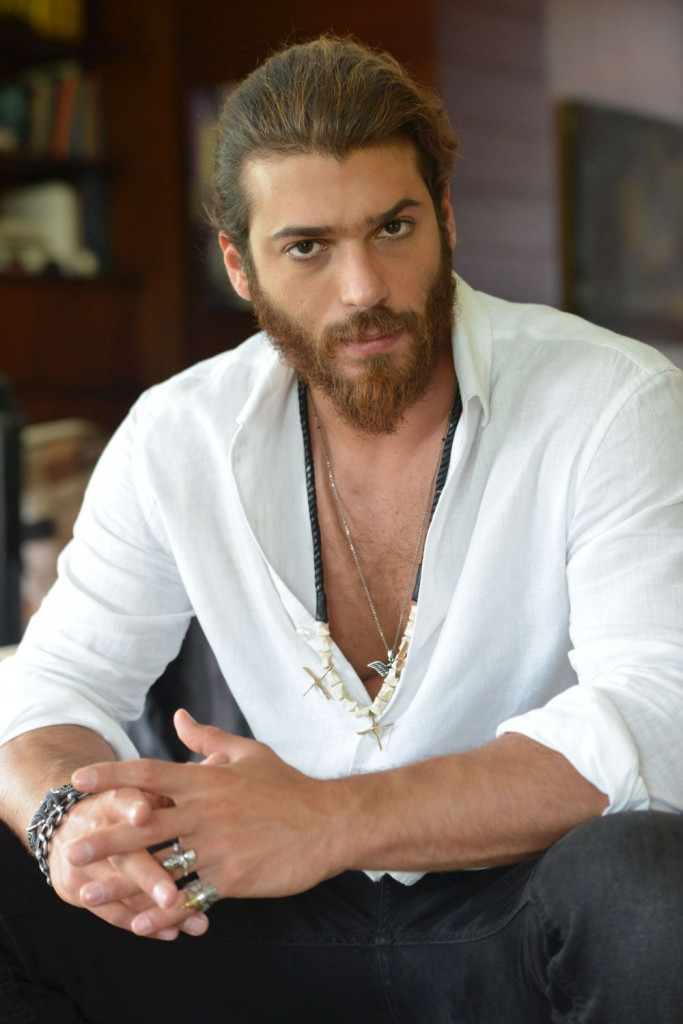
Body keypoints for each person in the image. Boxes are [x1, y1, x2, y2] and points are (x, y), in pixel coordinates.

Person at [1, 34, 682, 1024]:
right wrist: (73, 821)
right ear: (238, 265)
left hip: (515, 906)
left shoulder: (610, 399)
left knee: (647, 887)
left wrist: (326, 819)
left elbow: (660, 713)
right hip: (256, 917)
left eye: (393, 227)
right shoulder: (176, 434)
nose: (362, 288)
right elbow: (52, 685)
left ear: (445, 220)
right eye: (307, 247)